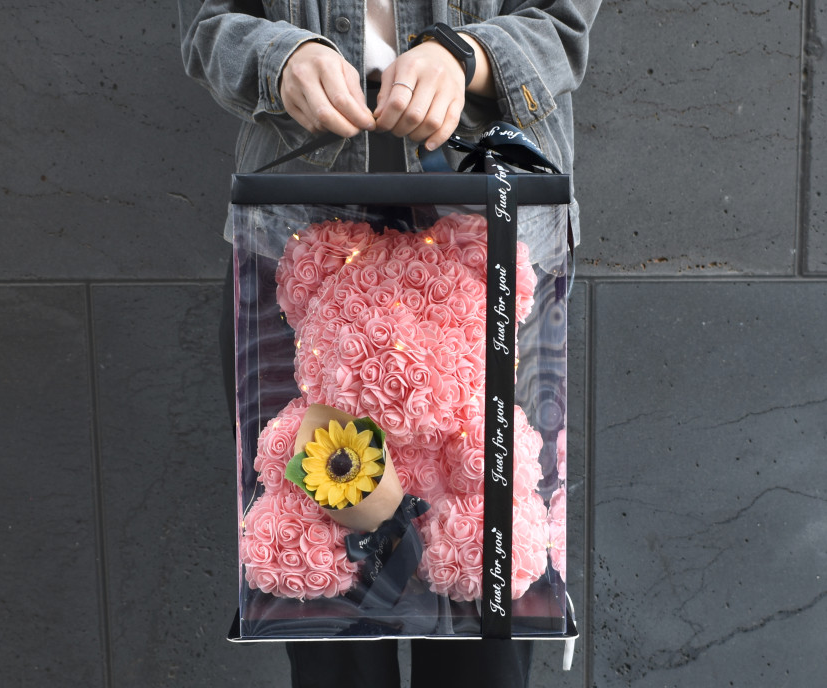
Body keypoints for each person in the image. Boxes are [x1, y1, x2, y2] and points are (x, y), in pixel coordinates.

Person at [177, 2, 599, 686]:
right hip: (298, 242)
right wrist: (280, 59)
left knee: (483, 619)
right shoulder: (304, 274)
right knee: (325, 611)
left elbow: (562, 21)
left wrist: (466, 56)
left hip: (485, 245)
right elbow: (210, 24)